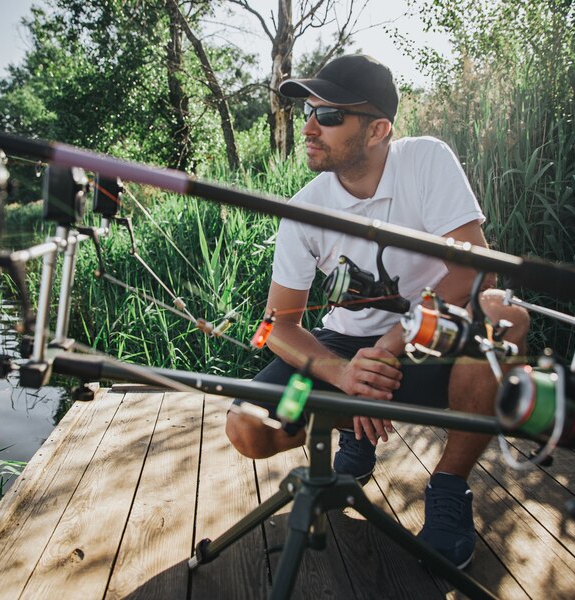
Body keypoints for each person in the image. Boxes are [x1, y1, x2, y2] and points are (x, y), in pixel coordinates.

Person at [226, 54, 529, 569]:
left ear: (378, 129)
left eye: (329, 115)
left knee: (505, 317)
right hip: (339, 353)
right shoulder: (303, 208)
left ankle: (449, 487)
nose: (308, 127)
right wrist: (343, 375)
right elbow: (278, 325)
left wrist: (387, 350)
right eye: (308, 111)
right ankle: (341, 428)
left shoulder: (427, 160)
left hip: (428, 340)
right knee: (247, 426)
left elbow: (476, 274)